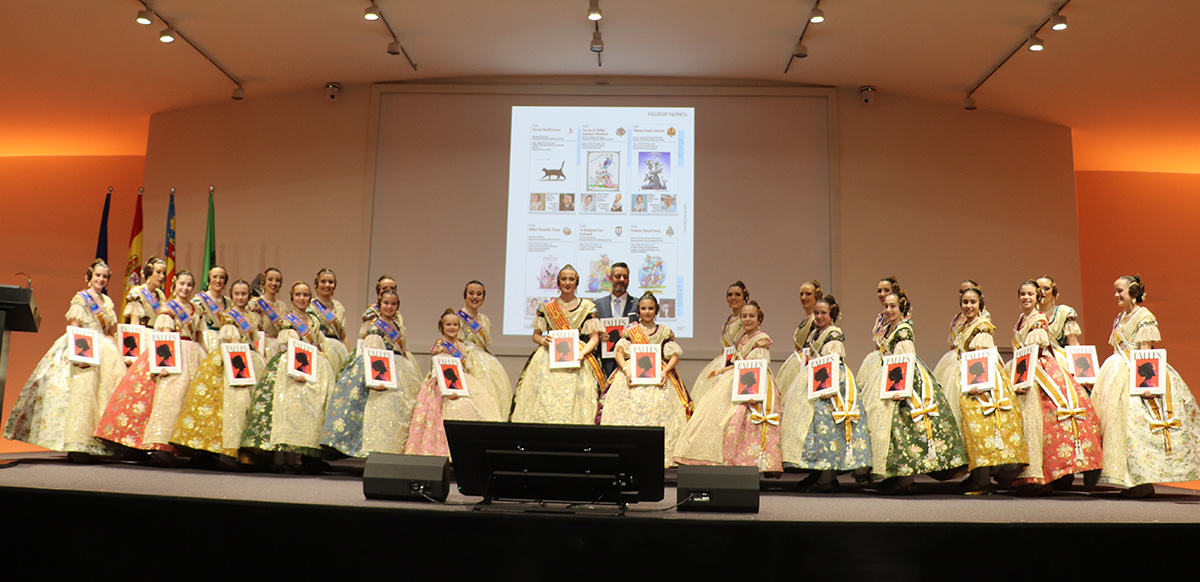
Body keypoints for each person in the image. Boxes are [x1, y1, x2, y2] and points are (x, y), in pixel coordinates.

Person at [4, 259, 126, 460]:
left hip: (104, 349)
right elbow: (75, 326)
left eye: (104, 276)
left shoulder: (108, 302)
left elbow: (109, 331)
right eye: (98, 275)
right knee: (81, 395)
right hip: (84, 346)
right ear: (90, 276)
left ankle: (101, 444)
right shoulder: (81, 298)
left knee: (102, 396)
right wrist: (78, 355)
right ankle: (78, 446)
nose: (101, 279)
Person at [1091, 275, 1200, 497]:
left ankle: (1142, 481)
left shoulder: (1145, 317)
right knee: (1116, 426)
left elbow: (1146, 352)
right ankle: (1127, 477)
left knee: (1136, 427)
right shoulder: (1120, 317)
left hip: (1138, 373)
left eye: (1120, 291)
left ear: (1132, 292)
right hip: (1115, 372)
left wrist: (1147, 384)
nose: (1116, 295)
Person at [94, 270, 207, 462]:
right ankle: (162, 445)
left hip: (194, 355)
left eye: (189, 285)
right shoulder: (167, 310)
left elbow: (199, 337)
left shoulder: (197, 310)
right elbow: (164, 337)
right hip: (173, 356)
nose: (185, 288)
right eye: (181, 284)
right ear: (174, 286)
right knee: (168, 399)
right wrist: (164, 365)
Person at [860, 291, 967, 494]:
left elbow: (906, 360)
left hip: (902, 379)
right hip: (888, 376)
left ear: (902, 309)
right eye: (887, 307)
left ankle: (906, 479)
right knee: (890, 430)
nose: (889, 310)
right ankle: (895, 475)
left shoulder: (903, 332)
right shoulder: (889, 328)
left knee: (903, 429)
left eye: (893, 307)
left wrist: (902, 389)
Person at [1008, 280, 1102, 493]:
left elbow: (1036, 351)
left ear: (1037, 297)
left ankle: (1045, 475)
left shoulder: (1039, 320)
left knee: (1043, 420)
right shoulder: (1023, 319)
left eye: (1030, 294)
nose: (1026, 298)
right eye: (1022, 294)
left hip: (1038, 371)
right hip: (1024, 368)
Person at [934, 286, 1026, 494]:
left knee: (980, 427)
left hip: (978, 380)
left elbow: (982, 358)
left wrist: (979, 384)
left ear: (980, 304)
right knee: (968, 428)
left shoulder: (982, 327)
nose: (968, 306)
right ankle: (975, 476)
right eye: (965, 303)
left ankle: (983, 480)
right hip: (962, 375)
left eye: (972, 302)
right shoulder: (965, 325)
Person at [241, 281, 337, 472]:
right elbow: (290, 348)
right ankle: (281, 459)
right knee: (287, 411)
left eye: (306, 295)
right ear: (292, 298)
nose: (302, 298)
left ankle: (304, 457)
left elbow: (319, 344)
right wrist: (299, 372)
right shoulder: (287, 321)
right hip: (293, 368)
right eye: (298, 295)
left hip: (314, 368)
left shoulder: (314, 321)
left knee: (309, 413)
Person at [674, 300, 781, 472]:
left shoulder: (760, 340)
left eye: (751, 316)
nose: (747, 319)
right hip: (738, 376)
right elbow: (740, 362)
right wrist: (722, 370)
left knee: (741, 418)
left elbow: (756, 367)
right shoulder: (743, 338)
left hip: (753, 382)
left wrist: (753, 393)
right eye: (744, 316)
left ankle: (749, 460)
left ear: (759, 318)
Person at [170, 279, 266, 464]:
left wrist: (262, 359)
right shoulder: (229, 316)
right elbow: (233, 344)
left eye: (244, 294)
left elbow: (254, 342)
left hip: (250, 359)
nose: (240, 297)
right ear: (232, 295)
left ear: (248, 296)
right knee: (234, 406)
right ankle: (227, 453)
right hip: (235, 362)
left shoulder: (252, 317)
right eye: (236, 294)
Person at [781, 296, 871, 492]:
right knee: (813, 428)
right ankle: (816, 473)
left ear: (832, 315)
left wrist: (827, 389)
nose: (819, 316)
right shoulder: (816, 332)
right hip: (813, 378)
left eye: (823, 313)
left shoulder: (833, 335)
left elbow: (833, 363)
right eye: (817, 313)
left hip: (828, 384)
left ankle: (827, 477)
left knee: (826, 429)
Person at [321, 289, 422, 458]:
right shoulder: (375, 328)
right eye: (386, 303)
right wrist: (377, 380)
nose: (389, 307)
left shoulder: (399, 327)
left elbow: (403, 350)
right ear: (379, 305)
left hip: (402, 369)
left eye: (393, 304)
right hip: (384, 371)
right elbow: (374, 357)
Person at [600, 293, 691, 467]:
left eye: (650, 308)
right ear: (638, 310)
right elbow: (619, 353)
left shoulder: (664, 331)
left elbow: (673, 356)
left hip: (657, 375)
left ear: (656, 310)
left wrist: (665, 371)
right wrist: (625, 369)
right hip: (632, 374)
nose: (647, 312)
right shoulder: (630, 330)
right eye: (643, 308)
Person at [511, 265, 603, 424]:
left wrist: (582, 353)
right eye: (564, 279)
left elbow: (594, 338)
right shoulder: (546, 306)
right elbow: (536, 336)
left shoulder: (588, 307)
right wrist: (543, 340)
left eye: (571, 279)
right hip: (549, 355)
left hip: (578, 356)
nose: (567, 282)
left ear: (577, 283)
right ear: (558, 283)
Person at [405, 310, 504, 457]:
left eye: (455, 324)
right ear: (441, 327)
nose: (452, 327)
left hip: (462, 380)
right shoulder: (440, 346)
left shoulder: (461, 346)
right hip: (443, 382)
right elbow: (440, 370)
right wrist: (449, 389)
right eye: (448, 324)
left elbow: (466, 367)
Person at [455, 280, 513, 419]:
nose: (475, 297)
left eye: (479, 294)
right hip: (465, 358)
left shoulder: (485, 319)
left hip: (485, 359)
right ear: (465, 296)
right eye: (471, 293)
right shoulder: (458, 317)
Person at [689, 281, 749, 403]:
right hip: (725, 360)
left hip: (739, 362)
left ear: (745, 297)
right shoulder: (728, 320)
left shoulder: (747, 319)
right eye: (730, 295)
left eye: (737, 294)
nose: (733, 298)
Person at [777, 280, 822, 398]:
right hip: (797, 364)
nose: (803, 297)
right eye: (801, 294)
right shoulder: (806, 320)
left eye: (808, 294)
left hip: (806, 366)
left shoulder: (816, 321)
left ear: (816, 296)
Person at [595, 262, 638, 378]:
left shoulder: (639, 305)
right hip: (605, 363)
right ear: (610, 278)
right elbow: (588, 335)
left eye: (625, 277)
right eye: (618, 276)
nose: (621, 280)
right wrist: (597, 337)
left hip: (630, 362)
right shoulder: (597, 305)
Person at [856, 277, 902, 384]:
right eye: (879, 291)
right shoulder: (880, 318)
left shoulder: (901, 318)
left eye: (886, 290)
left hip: (893, 363)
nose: (882, 294)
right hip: (878, 361)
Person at [309, 268, 349, 374]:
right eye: (323, 281)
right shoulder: (310, 305)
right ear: (316, 284)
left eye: (330, 282)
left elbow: (343, 335)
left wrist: (349, 357)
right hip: (320, 348)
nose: (327, 285)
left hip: (339, 351)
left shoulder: (339, 306)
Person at [249, 267, 291, 359]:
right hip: (263, 347)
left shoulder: (283, 306)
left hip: (281, 347)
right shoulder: (256, 303)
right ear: (264, 282)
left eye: (277, 280)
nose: (274, 283)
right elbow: (254, 330)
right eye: (270, 279)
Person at [1036, 275, 1082, 348]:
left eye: (1046, 289)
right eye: (1038, 289)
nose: (1042, 292)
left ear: (1053, 291)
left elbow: (1074, 344)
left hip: (1059, 357)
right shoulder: (1029, 316)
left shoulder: (1064, 313)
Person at [192, 265, 231, 352]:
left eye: (222, 277)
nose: (218, 280)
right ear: (209, 280)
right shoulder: (199, 300)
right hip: (206, 343)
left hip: (224, 343)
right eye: (214, 277)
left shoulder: (229, 302)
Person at [123, 257, 167, 326]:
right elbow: (134, 323)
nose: (162, 276)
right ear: (149, 273)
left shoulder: (160, 295)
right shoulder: (137, 293)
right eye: (158, 272)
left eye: (164, 273)